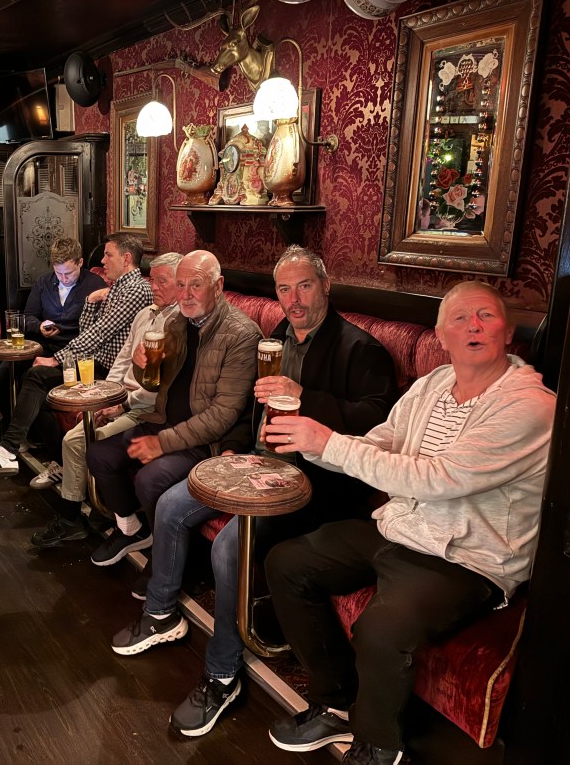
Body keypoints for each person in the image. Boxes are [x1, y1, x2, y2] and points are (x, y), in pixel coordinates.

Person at [109, 245, 399, 737]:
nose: (294, 299)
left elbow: (377, 420)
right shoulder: (278, 338)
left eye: (304, 286)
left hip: (316, 482)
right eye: (285, 289)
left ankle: (222, 674)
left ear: (326, 287)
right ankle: (160, 614)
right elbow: (251, 407)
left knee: (229, 548)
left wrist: (306, 398)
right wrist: (234, 446)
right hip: (257, 463)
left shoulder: (359, 348)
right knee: (174, 504)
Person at [263, 281, 555, 765]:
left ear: (508, 333)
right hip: (403, 527)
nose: (474, 326)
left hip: (468, 558)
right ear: (441, 336)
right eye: (460, 318)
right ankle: (336, 701)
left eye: (486, 316)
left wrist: (329, 442)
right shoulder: (434, 383)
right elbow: (383, 442)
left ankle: (379, 744)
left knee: (381, 627)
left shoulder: (530, 407)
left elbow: (439, 478)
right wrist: (313, 445)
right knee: (288, 561)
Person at [84, 250, 260, 567]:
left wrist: (161, 443)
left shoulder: (242, 334)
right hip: (162, 421)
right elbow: (153, 385)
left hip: (203, 442)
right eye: (181, 285)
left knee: (149, 479)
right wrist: (141, 366)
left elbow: (223, 415)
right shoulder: (177, 322)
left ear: (218, 286)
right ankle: (133, 529)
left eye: (196, 285)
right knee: (99, 454)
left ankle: (165, 559)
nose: (186, 294)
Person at [0, 232, 152, 475]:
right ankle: (47, 461)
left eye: (108, 255)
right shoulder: (115, 287)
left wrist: (55, 359)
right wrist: (91, 301)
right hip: (88, 360)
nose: (102, 261)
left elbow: (99, 333)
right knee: (34, 384)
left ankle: (10, 451)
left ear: (126, 259)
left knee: (37, 377)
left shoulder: (135, 289)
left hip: (106, 370)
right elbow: (88, 329)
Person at [29, 251, 182, 548]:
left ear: (181, 283)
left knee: (76, 441)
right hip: (122, 398)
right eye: (153, 280)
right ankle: (97, 509)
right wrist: (106, 397)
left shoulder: (177, 324)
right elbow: (123, 358)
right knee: (64, 423)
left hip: (144, 407)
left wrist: (121, 405)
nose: (154, 287)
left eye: (162, 281)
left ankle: (74, 519)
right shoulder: (145, 314)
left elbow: (159, 388)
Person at [0, 237, 105, 424]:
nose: (64, 279)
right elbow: (28, 317)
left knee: (30, 380)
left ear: (80, 262)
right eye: (59, 273)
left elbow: (98, 332)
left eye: (69, 273)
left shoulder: (96, 285)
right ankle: (7, 412)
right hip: (43, 346)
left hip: (73, 353)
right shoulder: (44, 282)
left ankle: (20, 429)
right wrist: (39, 326)